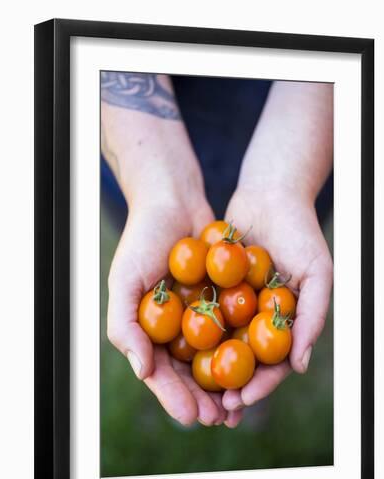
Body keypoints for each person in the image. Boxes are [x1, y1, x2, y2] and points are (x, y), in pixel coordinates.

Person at [101, 72, 333, 429]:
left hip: (296, 130)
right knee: (144, 239)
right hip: (140, 140)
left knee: (246, 374)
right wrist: (155, 193)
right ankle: (233, 394)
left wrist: (288, 185)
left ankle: (247, 395)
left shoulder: (237, 280)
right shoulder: (213, 279)